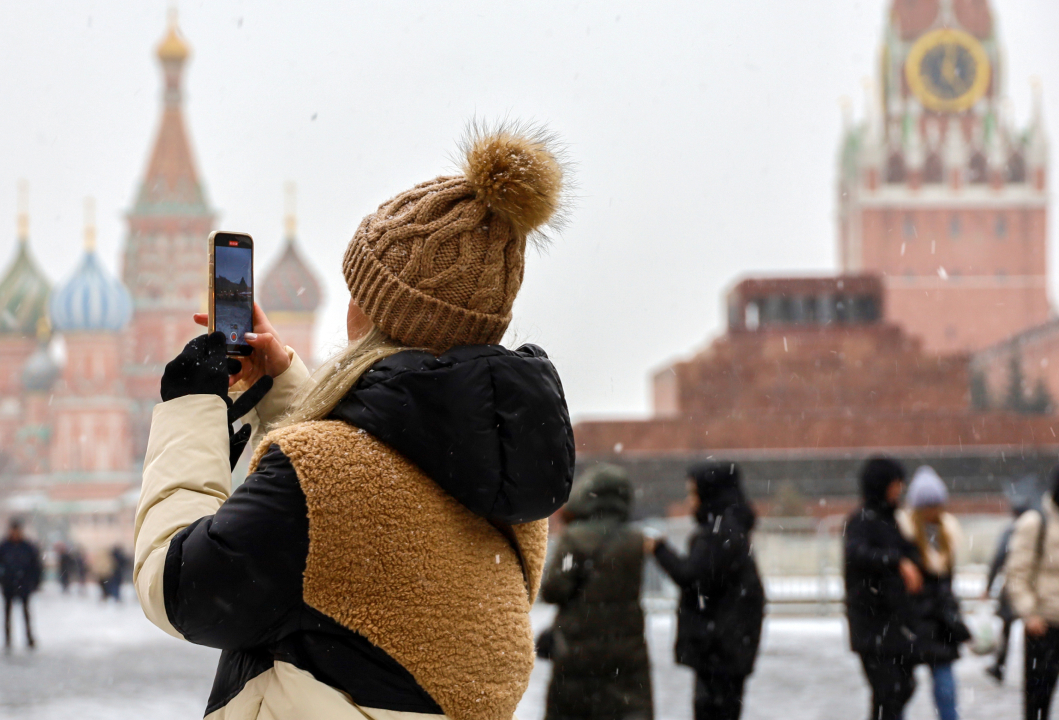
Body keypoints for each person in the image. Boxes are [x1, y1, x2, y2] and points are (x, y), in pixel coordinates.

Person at [134, 124, 574, 718]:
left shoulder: (325, 479)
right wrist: (285, 387)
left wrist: (190, 410)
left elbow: (178, 587)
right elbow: (390, 503)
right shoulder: (507, 489)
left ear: (371, 311)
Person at [648, 461, 764, 720]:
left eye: (693, 493)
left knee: (714, 709)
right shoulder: (731, 529)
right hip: (729, 645)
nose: (689, 501)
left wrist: (660, 550)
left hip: (719, 648)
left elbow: (692, 576)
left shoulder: (719, 533)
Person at [541, 464, 652, 720]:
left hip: (578, 645)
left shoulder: (574, 538)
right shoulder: (636, 540)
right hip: (627, 645)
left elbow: (554, 590)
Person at [844, 456, 924, 720]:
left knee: (900, 690)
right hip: (873, 625)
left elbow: (911, 553)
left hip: (896, 624)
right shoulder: (861, 522)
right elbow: (859, 554)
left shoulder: (894, 521)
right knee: (888, 693)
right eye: (895, 483)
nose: (899, 489)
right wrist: (896, 562)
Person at [897, 466, 968, 720]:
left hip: (938, 626)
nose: (932, 511)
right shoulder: (903, 535)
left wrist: (953, 619)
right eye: (927, 505)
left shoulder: (945, 534)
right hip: (914, 623)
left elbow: (945, 585)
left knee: (946, 690)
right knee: (899, 691)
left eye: (936, 504)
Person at [1006, 465, 1059, 720]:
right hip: (1044, 626)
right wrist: (1030, 613)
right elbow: (1016, 572)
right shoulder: (1036, 521)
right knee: (1038, 703)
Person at [984, 493, 1033, 683]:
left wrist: (989, 584)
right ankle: (1035, 669)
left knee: (1007, 628)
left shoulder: (1011, 530)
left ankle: (1000, 666)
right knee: (1032, 629)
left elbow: (998, 558)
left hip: (1013, 586)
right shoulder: (1039, 529)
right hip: (1032, 587)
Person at [0, 519, 42, 651]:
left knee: (26, 612)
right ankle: (7, 638)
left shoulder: (27, 546)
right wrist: (0, 578)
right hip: (8, 584)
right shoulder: (3, 546)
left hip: (23, 584)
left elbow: (35, 566)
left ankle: (28, 636)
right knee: (7, 613)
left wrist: (34, 581)